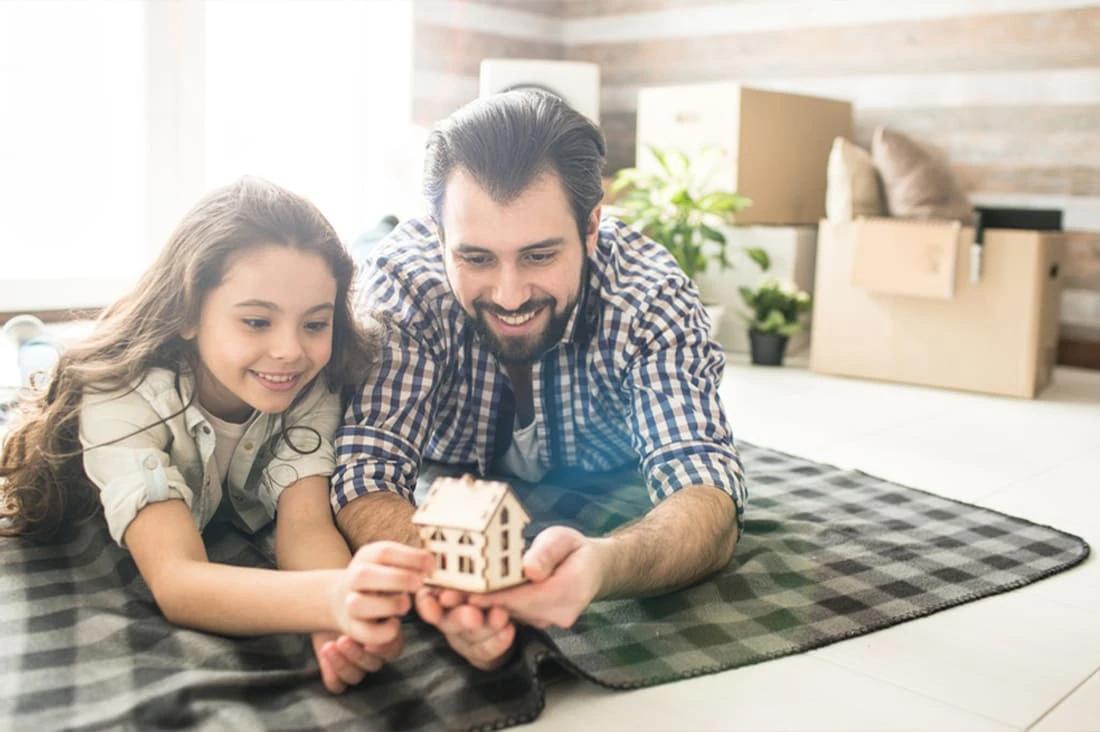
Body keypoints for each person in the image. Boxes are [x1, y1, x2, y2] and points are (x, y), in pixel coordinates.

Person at [333, 90, 747, 671]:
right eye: (476, 258)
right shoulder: (404, 288)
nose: (509, 297)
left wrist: (604, 564)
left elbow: (706, 491)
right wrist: (459, 584)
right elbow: (363, 475)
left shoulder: (650, 296)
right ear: (438, 236)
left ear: (592, 227)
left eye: (538, 256)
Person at [0, 178, 433, 694]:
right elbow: (179, 580)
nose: (290, 350)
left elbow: (307, 527)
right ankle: (25, 336)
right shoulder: (118, 396)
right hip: (93, 380)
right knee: (41, 361)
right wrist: (337, 595)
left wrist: (339, 628)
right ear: (187, 311)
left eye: (315, 323)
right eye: (256, 321)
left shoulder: (311, 384)